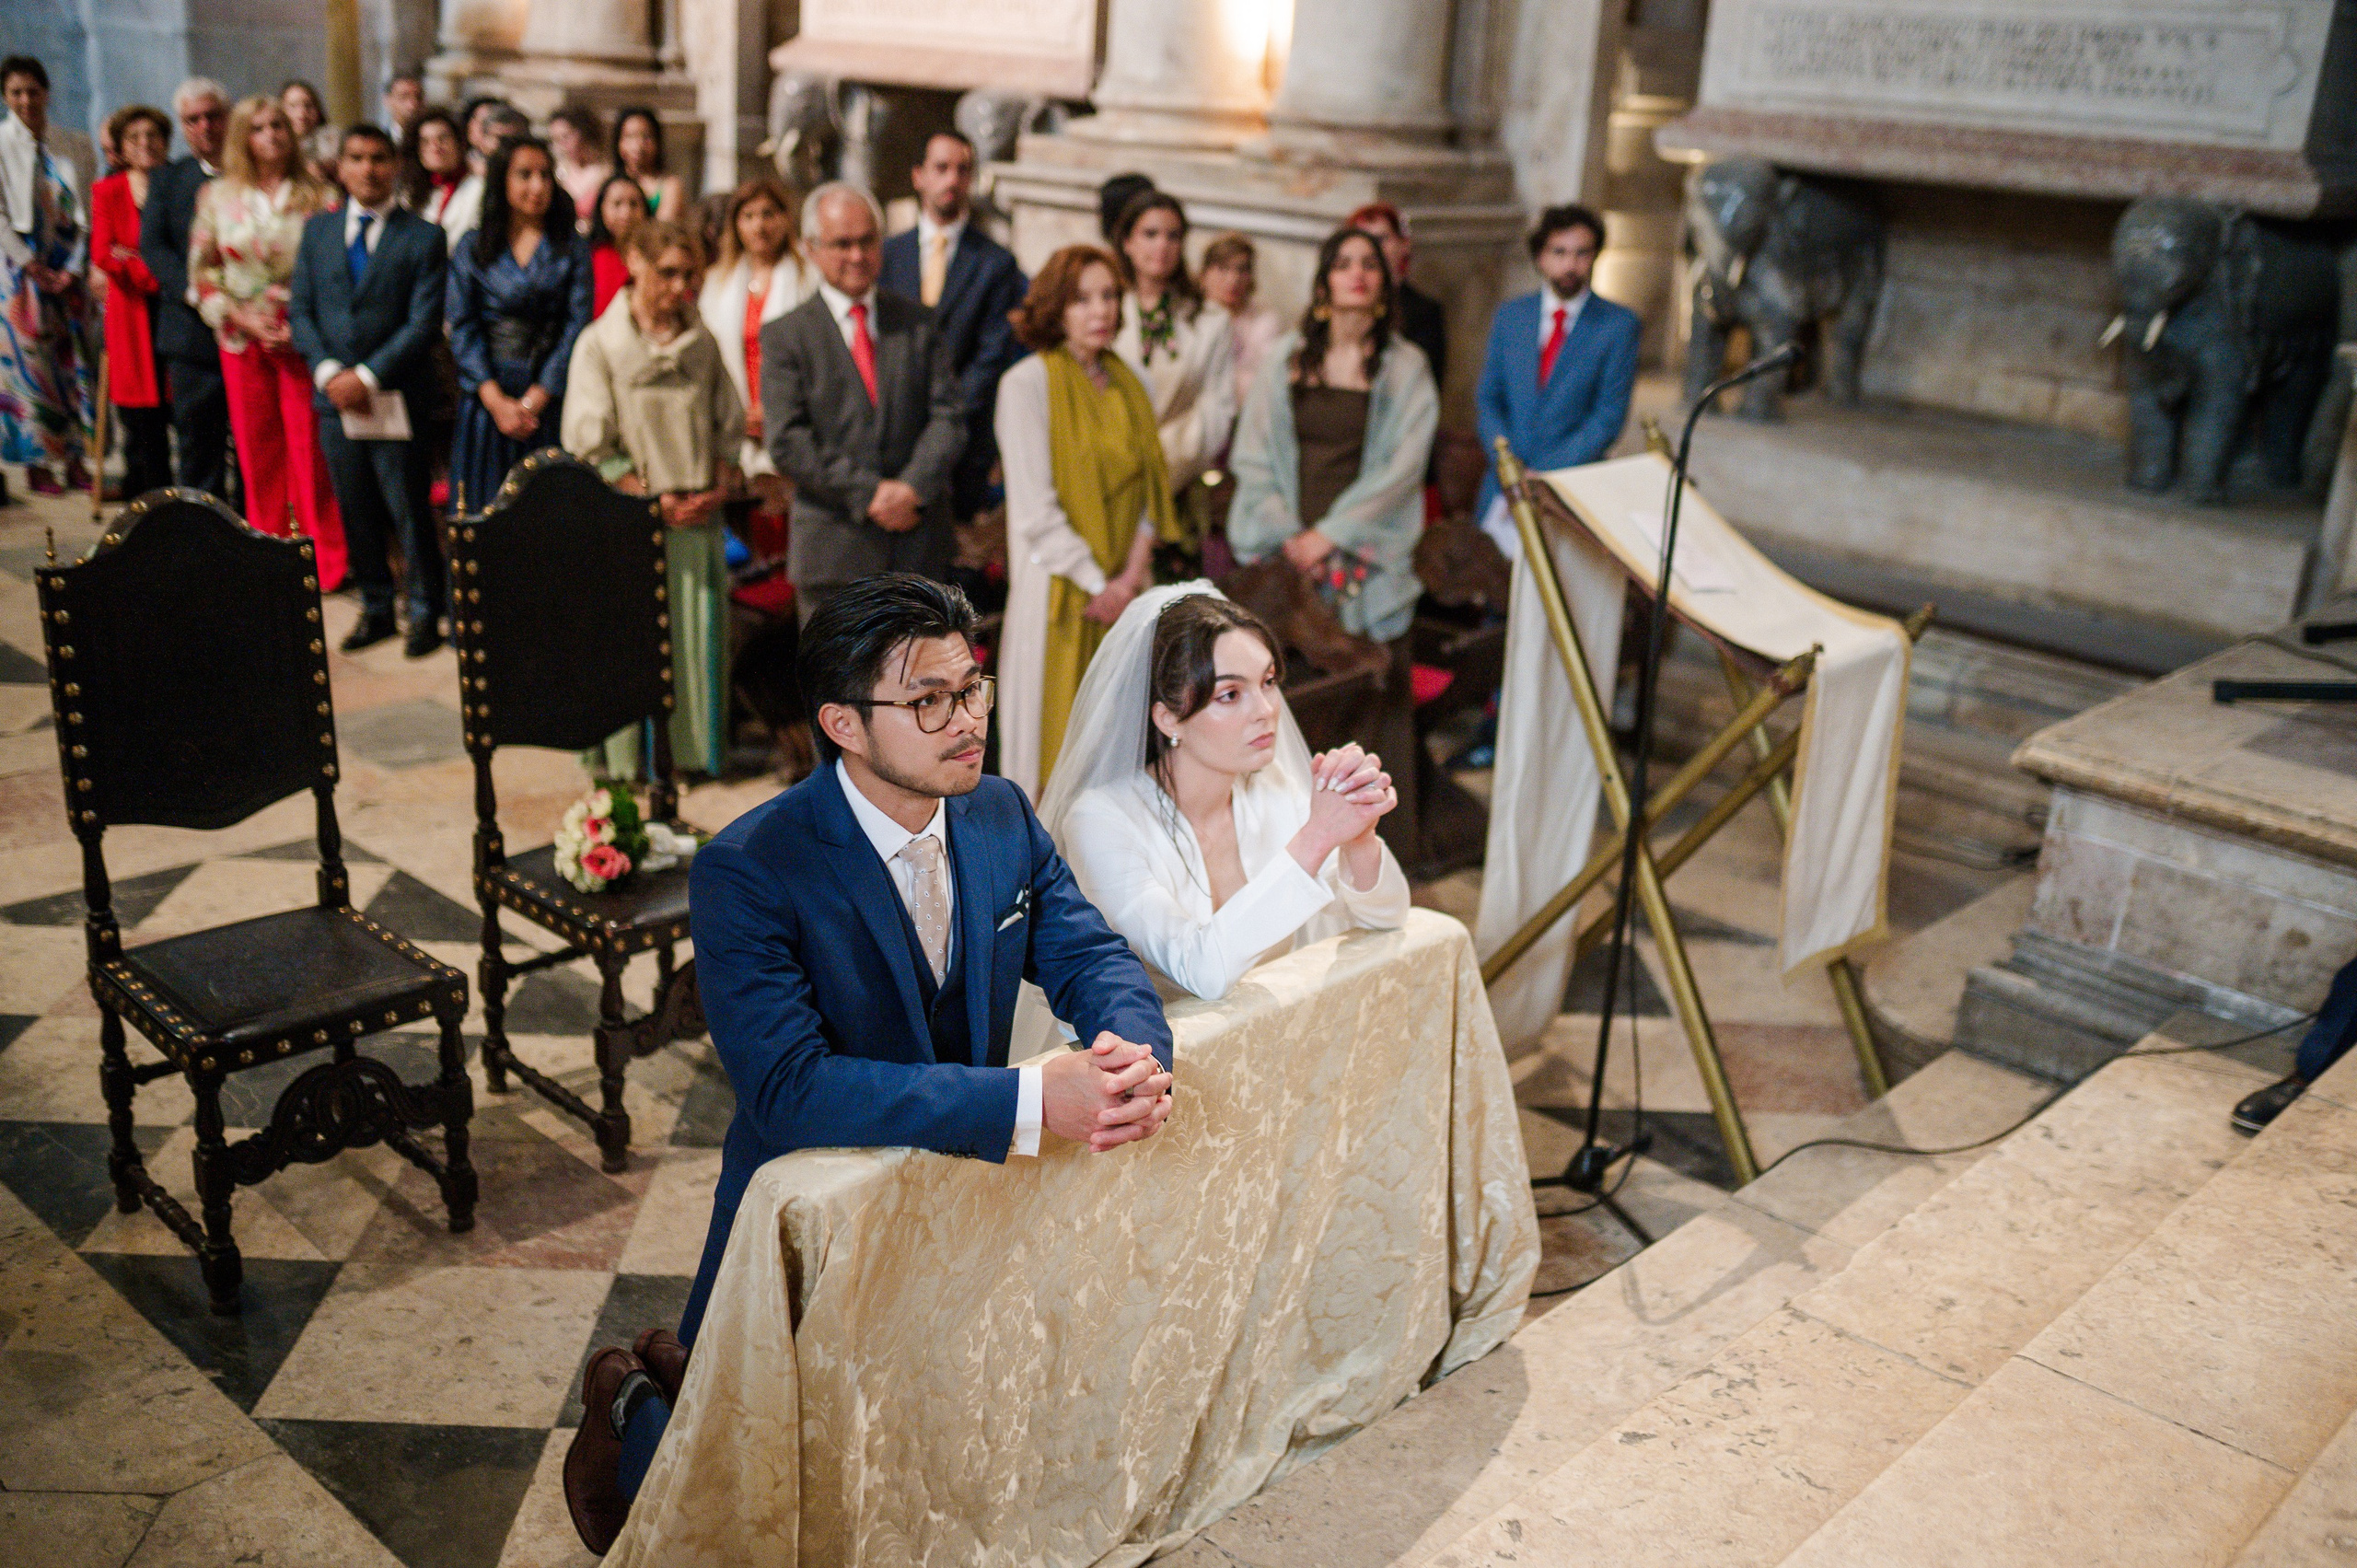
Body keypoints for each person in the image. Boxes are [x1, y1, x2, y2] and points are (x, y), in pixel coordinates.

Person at [562, 574, 1176, 1553]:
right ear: (842, 723)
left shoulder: (999, 814)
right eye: (928, 700)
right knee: (739, 1479)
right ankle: (630, 1400)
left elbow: (1089, 954)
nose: (966, 720)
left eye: (969, 688)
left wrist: (1133, 1052)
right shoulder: (750, 867)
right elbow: (789, 1086)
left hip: (953, 1193)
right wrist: (1027, 1096)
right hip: (805, 1211)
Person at [1045, 585, 1406, 1000]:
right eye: (1230, 695)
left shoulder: (1271, 790)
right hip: (1165, 1053)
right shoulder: (1101, 820)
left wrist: (1358, 838)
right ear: (1168, 719)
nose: (1267, 710)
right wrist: (1319, 836)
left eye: (1268, 682)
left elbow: (1388, 917)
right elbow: (1199, 971)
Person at [1227, 226, 1439, 861]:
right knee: (1283, 692)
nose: (1356, 273)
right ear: (1324, 282)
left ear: (1383, 282)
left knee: (1370, 700)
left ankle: (1372, 857)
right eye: (1343, 263)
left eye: (1369, 264)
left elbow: (1402, 469)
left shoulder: (1405, 367)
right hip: (1287, 544)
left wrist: (1331, 536)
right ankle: (1280, 849)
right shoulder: (1288, 355)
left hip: (1363, 550)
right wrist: (1291, 534)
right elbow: (1254, 452)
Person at [994, 244, 1178, 800]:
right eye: (1082, 299)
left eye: (1109, 296)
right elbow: (1034, 511)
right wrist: (1100, 585)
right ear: (1055, 308)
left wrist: (1127, 582)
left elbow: (1153, 494)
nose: (1100, 311)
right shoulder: (1025, 385)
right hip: (1058, 589)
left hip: (1124, 590)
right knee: (1048, 755)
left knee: (1118, 753)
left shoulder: (1134, 383)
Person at [563, 218, 742, 776]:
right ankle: (626, 763)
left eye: (688, 275)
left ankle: (685, 756)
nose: (679, 287)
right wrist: (648, 500)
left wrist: (715, 483)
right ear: (634, 263)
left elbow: (726, 422)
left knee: (693, 643)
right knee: (629, 645)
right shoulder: (601, 343)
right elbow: (591, 440)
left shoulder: (703, 341)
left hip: (695, 519)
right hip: (630, 521)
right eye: (667, 273)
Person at [761, 181, 964, 623]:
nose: (857, 255)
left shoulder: (917, 322)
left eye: (867, 241)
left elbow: (948, 417)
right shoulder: (786, 335)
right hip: (833, 554)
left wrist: (911, 488)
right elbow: (788, 440)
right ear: (812, 249)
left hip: (918, 551)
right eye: (842, 244)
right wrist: (869, 494)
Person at [290, 124, 449, 656]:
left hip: (394, 393)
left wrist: (367, 376)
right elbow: (303, 312)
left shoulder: (423, 236)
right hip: (334, 396)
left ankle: (426, 609)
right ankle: (377, 606)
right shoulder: (317, 232)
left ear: (396, 166)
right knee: (354, 506)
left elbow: (423, 323)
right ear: (340, 165)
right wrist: (329, 373)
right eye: (356, 158)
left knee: (406, 504)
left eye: (379, 158)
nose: (368, 169)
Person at [191, 93, 346, 585]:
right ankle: (270, 553)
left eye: (279, 125)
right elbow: (202, 274)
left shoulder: (319, 194)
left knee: (311, 449)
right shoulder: (216, 196)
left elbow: (333, 271)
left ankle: (326, 559)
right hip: (242, 335)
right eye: (258, 127)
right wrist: (241, 317)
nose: (272, 135)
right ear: (243, 136)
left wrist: (298, 323)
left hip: (303, 334)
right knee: (258, 449)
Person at [1473, 203, 1638, 558]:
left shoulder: (1617, 326)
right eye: (1559, 252)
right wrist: (1508, 464)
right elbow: (1489, 398)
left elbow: (1607, 417)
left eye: (1581, 253)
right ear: (1540, 257)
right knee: (1491, 588)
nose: (1570, 265)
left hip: (1569, 487)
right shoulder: (1511, 316)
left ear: (1595, 257)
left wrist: (1543, 475)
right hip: (1503, 485)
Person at [879, 129, 1028, 521]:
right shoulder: (888, 255)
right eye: (941, 168)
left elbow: (992, 354)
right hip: (891, 437)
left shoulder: (996, 263)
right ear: (918, 176)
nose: (952, 180)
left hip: (964, 441)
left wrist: (942, 420)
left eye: (962, 170)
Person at [446, 135, 591, 511]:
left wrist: (535, 400)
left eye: (545, 175)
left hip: (548, 397)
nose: (538, 186)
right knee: (484, 516)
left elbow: (576, 327)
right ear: (501, 182)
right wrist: (496, 401)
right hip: (487, 400)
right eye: (524, 175)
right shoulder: (473, 246)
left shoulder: (571, 247)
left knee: (546, 520)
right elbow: (462, 327)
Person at [0, 55, 93, 494]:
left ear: (46, 92)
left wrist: (72, 269)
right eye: (16, 92)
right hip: (20, 274)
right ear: (5, 96)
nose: (25, 100)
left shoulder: (73, 143)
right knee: (31, 370)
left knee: (73, 365)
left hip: (67, 271)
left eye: (32, 91)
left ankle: (77, 458)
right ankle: (38, 464)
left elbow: (87, 212)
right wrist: (30, 264)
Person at [1109, 190, 1235, 499]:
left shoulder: (1210, 320)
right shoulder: (1104, 311)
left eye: (1173, 236)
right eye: (1150, 234)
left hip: (1176, 476)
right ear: (1127, 242)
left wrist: (1161, 460)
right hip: (1106, 466)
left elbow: (1216, 408)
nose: (1162, 246)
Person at [698, 174, 813, 506]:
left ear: (785, 219)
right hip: (734, 421)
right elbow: (708, 358)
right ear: (735, 224)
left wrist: (775, 409)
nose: (759, 226)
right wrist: (739, 413)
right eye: (748, 216)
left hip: (792, 420)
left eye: (768, 214)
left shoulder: (809, 278)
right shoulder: (717, 282)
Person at [143, 76, 231, 496]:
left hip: (252, 333)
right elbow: (155, 248)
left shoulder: (252, 177)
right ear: (183, 126)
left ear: (228, 118)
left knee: (255, 449)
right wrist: (196, 291)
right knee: (199, 449)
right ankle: (202, 544)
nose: (206, 127)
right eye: (193, 119)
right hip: (191, 336)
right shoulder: (167, 180)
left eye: (213, 116)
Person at [89, 105, 172, 496]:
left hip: (175, 313)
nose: (144, 144)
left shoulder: (180, 184)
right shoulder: (108, 191)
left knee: (180, 412)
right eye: (134, 137)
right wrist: (157, 271)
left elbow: (190, 249)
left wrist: (134, 258)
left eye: (152, 135)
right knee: (140, 422)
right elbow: (104, 253)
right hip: (132, 315)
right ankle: (146, 508)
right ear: (121, 147)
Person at [1346, 203, 1446, 391]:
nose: (1373, 248)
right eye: (1364, 239)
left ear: (1404, 245)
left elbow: (1426, 387)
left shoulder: (1424, 312)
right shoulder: (1342, 304)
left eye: (1382, 238)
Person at [1199, 231, 1280, 414]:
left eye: (1242, 270)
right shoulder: (1190, 316)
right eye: (1223, 269)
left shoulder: (1264, 321)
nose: (1233, 279)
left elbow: (1266, 384)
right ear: (1204, 275)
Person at [586, 173, 645, 318]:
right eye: (617, 204)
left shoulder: (655, 254)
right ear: (601, 209)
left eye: (634, 204)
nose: (626, 213)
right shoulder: (588, 254)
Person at [612, 107, 683, 221]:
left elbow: (662, 230)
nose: (638, 146)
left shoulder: (670, 186)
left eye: (646, 137)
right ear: (619, 142)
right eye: (630, 136)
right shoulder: (609, 183)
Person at [547, 106, 610, 232]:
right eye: (555, 140)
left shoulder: (605, 173)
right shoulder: (555, 172)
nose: (561, 146)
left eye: (565, 137)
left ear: (583, 133)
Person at [399, 108, 465, 227]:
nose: (435, 147)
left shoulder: (477, 186)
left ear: (458, 143)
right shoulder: (409, 193)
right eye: (425, 142)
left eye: (443, 138)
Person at [279, 79, 338, 188]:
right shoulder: (276, 145)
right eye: (293, 106)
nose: (302, 114)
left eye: (308, 105)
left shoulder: (333, 141)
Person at [380, 70, 425, 137]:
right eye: (404, 97)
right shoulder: (381, 141)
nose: (413, 104)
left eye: (418, 97)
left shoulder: (429, 143)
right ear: (387, 100)